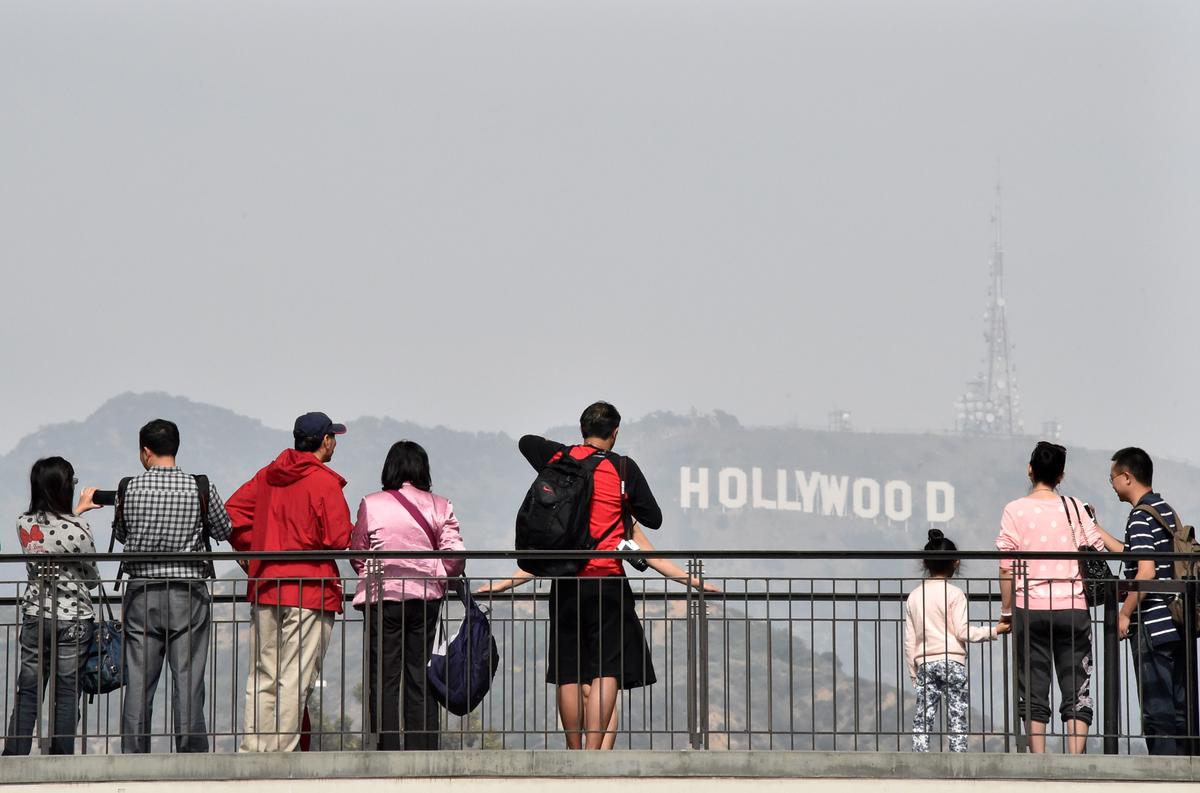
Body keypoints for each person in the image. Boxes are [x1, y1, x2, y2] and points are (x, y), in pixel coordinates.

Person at [477, 522, 719, 749]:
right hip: (572, 598)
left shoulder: (618, 512)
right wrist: (504, 585)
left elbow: (649, 554)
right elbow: (547, 560)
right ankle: (587, 758)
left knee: (603, 680)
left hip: (604, 596)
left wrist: (692, 581)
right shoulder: (570, 509)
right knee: (584, 687)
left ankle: (598, 758)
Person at [517, 401, 663, 750]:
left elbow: (525, 442)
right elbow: (653, 518)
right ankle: (595, 754)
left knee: (568, 670)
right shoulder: (624, 468)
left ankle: (573, 750)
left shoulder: (562, 460)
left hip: (566, 576)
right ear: (615, 432)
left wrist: (567, 452)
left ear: (583, 428)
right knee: (606, 670)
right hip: (607, 578)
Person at [226, 411, 353, 752]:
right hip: (310, 590)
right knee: (294, 676)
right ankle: (283, 754)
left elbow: (233, 512)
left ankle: (254, 749)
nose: (335, 443)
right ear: (325, 441)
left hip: (267, 586)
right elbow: (339, 538)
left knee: (262, 673)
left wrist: (254, 549)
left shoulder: (269, 475)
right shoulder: (323, 481)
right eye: (334, 437)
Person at [996, 441, 1122, 754]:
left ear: (1030, 469)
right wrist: (1091, 520)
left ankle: (1039, 761)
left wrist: (1007, 612)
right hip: (1073, 608)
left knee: (1034, 685)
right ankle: (1075, 761)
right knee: (1077, 683)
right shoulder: (1075, 507)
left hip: (1031, 608)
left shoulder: (1015, 510)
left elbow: (1005, 567)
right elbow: (1098, 547)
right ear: (1061, 476)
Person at [115, 419, 233, 754]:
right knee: (189, 677)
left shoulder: (129, 487)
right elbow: (224, 530)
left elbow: (123, 534)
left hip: (141, 593)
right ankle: (191, 751)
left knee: (139, 679)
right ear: (176, 448)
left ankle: (134, 754)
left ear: (145, 452)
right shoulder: (199, 487)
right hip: (188, 591)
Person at [350, 440, 466, 750]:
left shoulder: (370, 503)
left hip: (381, 599)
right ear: (423, 470)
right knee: (421, 674)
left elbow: (358, 552)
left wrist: (373, 577)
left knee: (384, 676)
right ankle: (423, 746)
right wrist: (441, 578)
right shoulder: (440, 505)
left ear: (389, 469)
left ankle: (386, 747)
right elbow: (454, 553)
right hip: (425, 598)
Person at [3, 458, 102, 755]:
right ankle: (61, 755)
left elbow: (52, 531)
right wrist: (78, 515)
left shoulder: (24, 523)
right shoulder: (79, 528)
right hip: (73, 617)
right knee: (67, 692)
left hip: (35, 615)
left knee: (29, 690)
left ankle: (15, 754)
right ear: (65, 487)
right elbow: (92, 577)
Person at [1109, 446, 1189, 755]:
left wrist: (1125, 613)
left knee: (1157, 711)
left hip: (1152, 625)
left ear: (1127, 477)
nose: (1112, 485)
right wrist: (1095, 530)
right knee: (1181, 708)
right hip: (1175, 622)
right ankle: (1187, 771)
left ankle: (1166, 777)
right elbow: (1137, 554)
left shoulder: (1140, 517)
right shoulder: (1163, 510)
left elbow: (1146, 571)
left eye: (1113, 478)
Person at [905, 529, 1008, 753]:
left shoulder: (914, 596)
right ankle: (958, 754)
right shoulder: (955, 594)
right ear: (956, 563)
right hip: (952, 661)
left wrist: (914, 671)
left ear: (925, 563)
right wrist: (994, 630)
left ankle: (919, 753)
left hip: (925, 663)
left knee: (924, 713)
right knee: (956, 710)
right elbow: (962, 632)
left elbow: (909, 640)